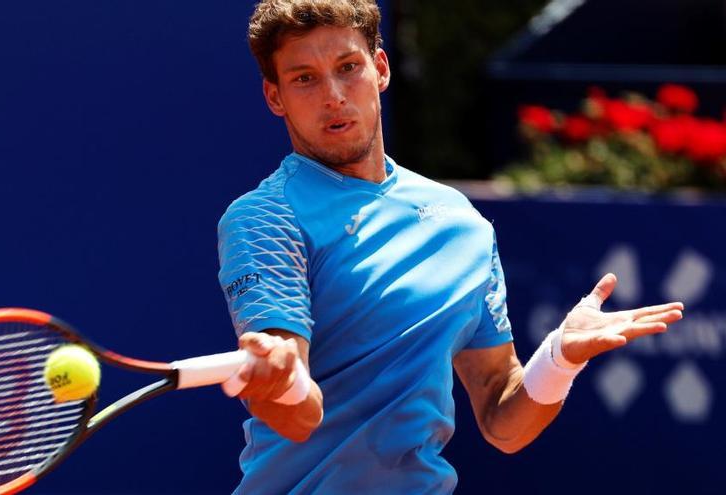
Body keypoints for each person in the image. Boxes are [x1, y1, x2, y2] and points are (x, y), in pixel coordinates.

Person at [215, 1, 684, 493]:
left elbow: (503, 419)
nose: (333, 95)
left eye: (348, 68)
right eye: (304, 79)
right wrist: (278, 379)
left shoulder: (462, 222)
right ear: (275, 96)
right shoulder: (265, 218)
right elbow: (298, 416)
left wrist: (561, 357)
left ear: (379, 69)